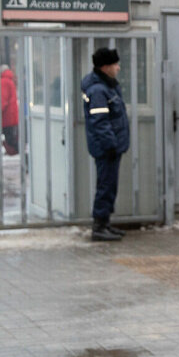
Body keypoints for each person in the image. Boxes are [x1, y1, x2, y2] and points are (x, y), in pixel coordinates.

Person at [81, 48, 130, 241]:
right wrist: (110, 145)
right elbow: (100, 121)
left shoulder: (107, 85)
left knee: (110, 186)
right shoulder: (98, 90)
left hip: (111, 147)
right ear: (105, 67)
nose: (118, 68)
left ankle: (105, 223)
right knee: (105, 186)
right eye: (115, 64)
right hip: (106, 148)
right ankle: (99, 226)